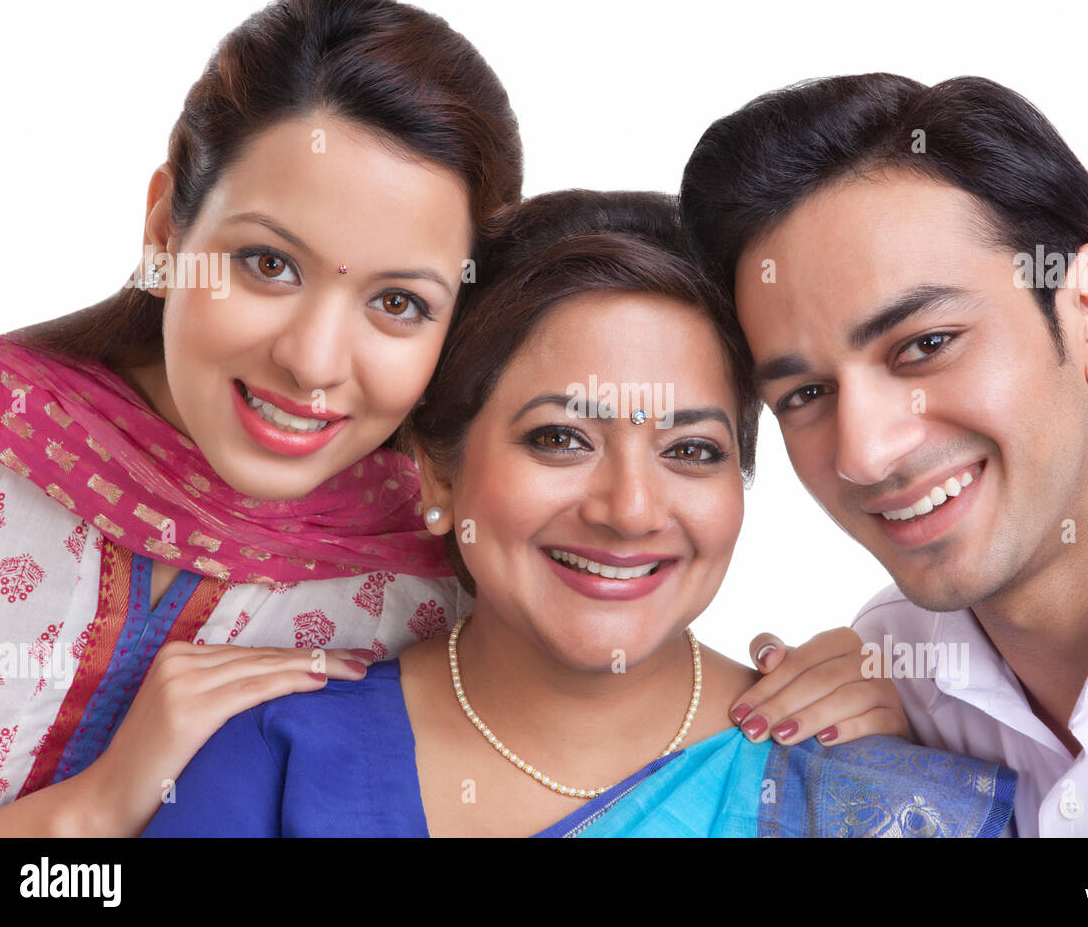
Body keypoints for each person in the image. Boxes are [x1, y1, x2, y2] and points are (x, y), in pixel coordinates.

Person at [142, 190, 1016, 838]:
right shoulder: (274, 760)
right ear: (435, 473)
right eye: (561, 439)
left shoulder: (866, 795)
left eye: (691, 451)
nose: (630, 510)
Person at [0, 0, 521, 834]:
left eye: (400, 303)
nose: (312, 359)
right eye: (269, 264)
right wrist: (93, 809)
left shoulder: (446, 599)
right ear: (164, 233)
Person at [678, 72, 1088, 835]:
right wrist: (895, 792)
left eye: (926, 345)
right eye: (805, 395)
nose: (865, 453)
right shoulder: (887, 679)